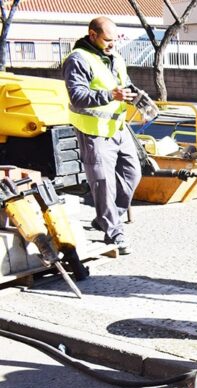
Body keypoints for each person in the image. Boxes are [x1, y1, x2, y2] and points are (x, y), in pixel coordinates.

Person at [63, 16, 141, 255]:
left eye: (115, 40)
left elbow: (125, 85)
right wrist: (110, 95)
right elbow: (77, 95)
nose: (112, 45)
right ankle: (113, 231)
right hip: (93, 132)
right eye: (107, 40)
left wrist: (142, 103)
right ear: (92, 34)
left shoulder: (114, 57)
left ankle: (106, 217)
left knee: (132, 174)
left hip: (118, 128)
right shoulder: (78, 59)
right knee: (103, 183)